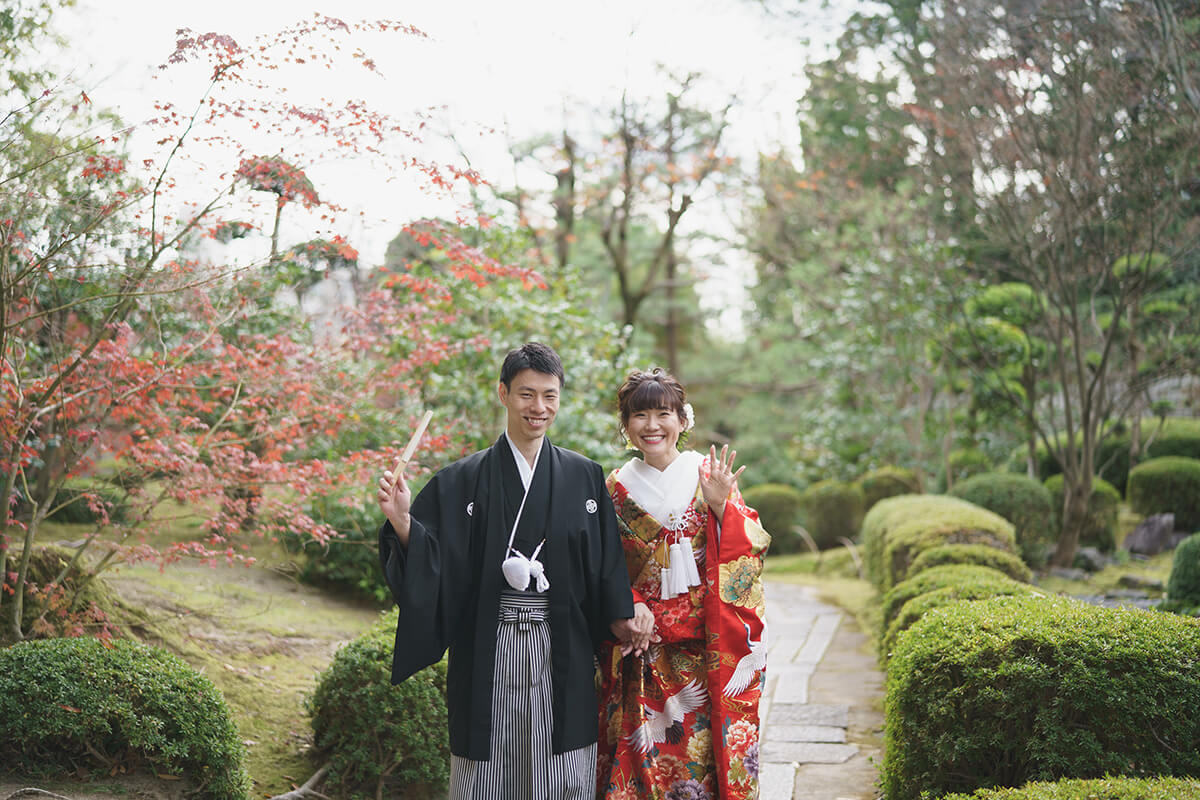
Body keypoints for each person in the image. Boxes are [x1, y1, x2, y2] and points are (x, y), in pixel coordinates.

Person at [377, 342, 638, 800]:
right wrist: (402, 522)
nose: (539, 408)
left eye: (550, 396)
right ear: (503, 394)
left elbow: (605, 566)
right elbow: (434, 560)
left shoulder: (585, 476)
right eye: (526, 394)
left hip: (563, 648)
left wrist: (622, 615)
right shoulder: (460, 479)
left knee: (561, 772)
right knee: (487, 775)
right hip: (488, 645)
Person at [596, 368, 770, 800]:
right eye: (639, 416)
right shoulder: (614, 488)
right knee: (640, 763)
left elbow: (748, 553)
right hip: (641, 649)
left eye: (662, 414)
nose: (652, 426)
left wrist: (721, 509)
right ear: (625, 425)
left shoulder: (707, 474)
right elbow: (601, 563)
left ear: (682, 420)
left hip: (701, 648)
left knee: (702, 764)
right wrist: (628, 604)